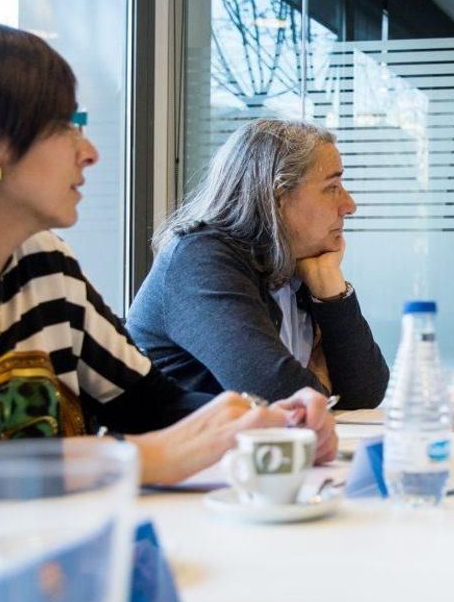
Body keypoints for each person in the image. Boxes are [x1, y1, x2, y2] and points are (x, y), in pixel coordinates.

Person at [0, 14, 336, 514]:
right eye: (68, 126)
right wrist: (127, 459)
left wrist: (263, 421)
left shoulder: (45, 266)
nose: (89, 153)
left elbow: (149, 404)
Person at [128, 119, 389, 410]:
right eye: (332, 187)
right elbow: (278, 394)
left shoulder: (299, 263)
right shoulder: (200, 258)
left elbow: (366, 392)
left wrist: (330, 290)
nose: (349, 205)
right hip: (173, 453)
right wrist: (319, 381)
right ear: (278, 196)